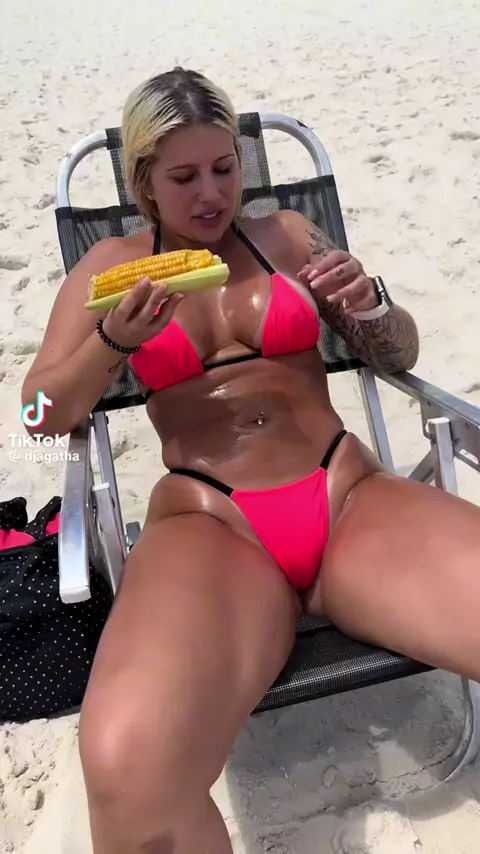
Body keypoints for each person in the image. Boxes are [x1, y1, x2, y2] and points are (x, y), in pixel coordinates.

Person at [22, 67, 480, 854]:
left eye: (225, 168)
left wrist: (368, 304)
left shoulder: (288, 237)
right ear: (143, 182)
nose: (212, 194)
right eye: (185, 177)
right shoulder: (105, 271)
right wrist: (112, 343)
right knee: (127, 769)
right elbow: (36, 416)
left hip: (345, 497)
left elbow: (398, 352)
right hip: (213, 524)